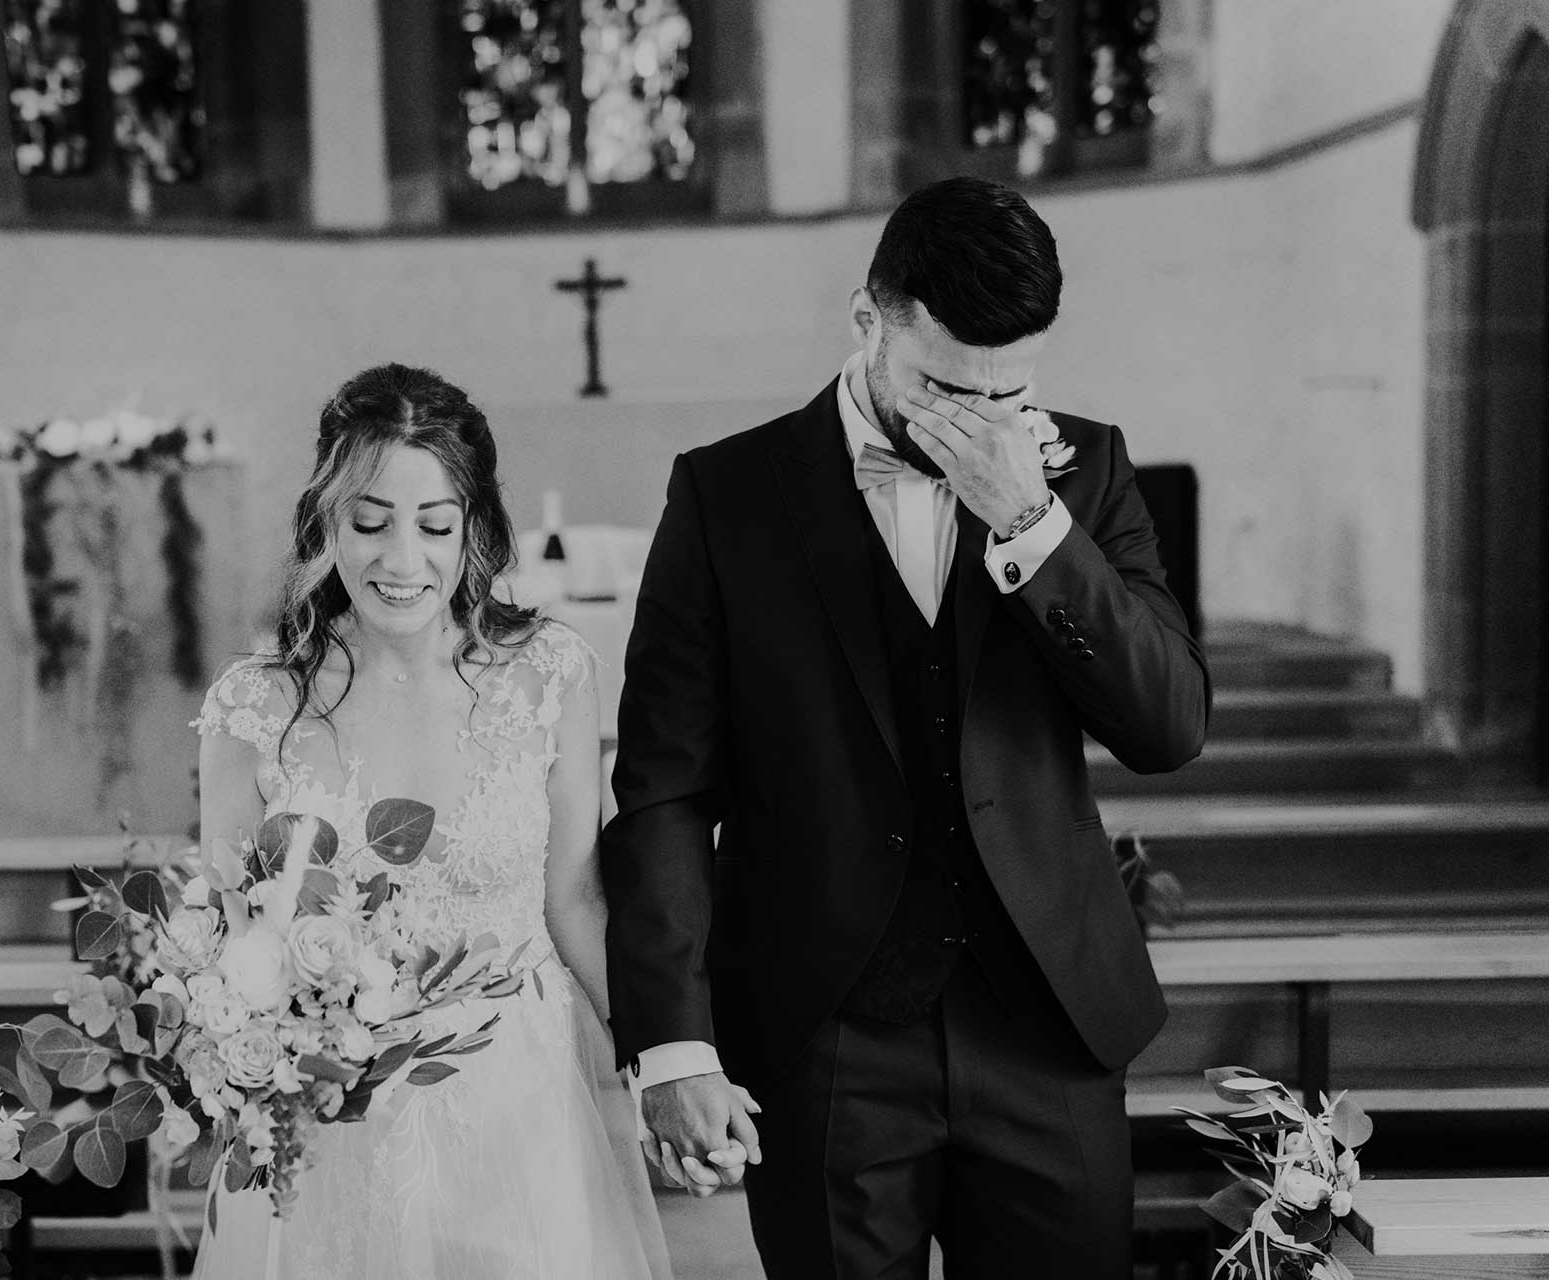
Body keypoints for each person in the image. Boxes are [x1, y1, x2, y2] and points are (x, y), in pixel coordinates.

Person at [602, 176, 1210, 1279]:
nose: (980, 422)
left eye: (1007, 392)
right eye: (942, 387)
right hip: (824, 1034)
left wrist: (1031, 523)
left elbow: (1168, 725)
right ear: (866, 322)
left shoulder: (1090, 467)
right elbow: (663, 792)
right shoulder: (727, 497)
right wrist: (673, 1041)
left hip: (1048, 1031)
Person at [192, 363, 672, 1279]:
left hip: (517, 1106)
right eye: (368, 523)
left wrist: (657, 1063)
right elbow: (231, 939)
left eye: (434, 525)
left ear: (476, 529)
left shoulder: (549, 676)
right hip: (328, 1124)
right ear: (324, 522)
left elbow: (576, 902)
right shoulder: (254, 710)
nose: (401, 561)